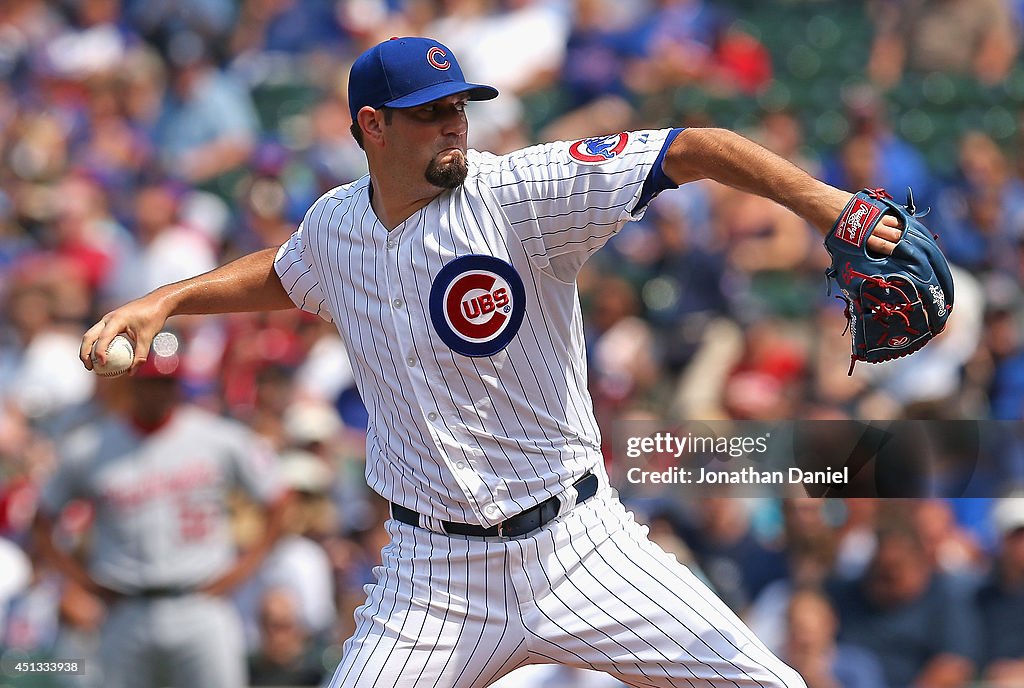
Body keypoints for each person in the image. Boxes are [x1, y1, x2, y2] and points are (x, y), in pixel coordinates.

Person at [81, 36, 903, 688]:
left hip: (578, 544)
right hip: (432, 575)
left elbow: (695, 146)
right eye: (430, 112)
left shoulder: (519, 193)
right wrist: (169, 300)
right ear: (373, 126)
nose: (454, 124)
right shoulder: (336, 226)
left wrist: (827, 205)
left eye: (460, 107)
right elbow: (288, 270)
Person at [33, 338, 292, 688]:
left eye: (167, 382)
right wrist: (83, 582)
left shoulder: (217, 438)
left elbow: (278, 499)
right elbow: (42, 519)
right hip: (125, 608)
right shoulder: (91, 447)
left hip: (201, 602)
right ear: (132, 384)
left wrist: (243, 569)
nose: (159, 391)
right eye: (151, 382)